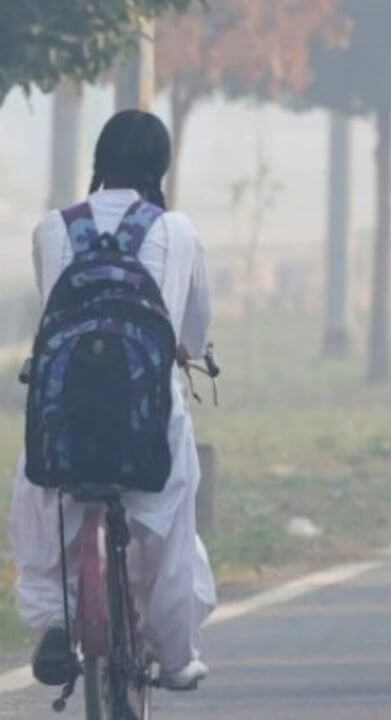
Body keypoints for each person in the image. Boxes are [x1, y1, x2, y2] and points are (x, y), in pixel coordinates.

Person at [12, 110, 216, 690]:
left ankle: (53, 619)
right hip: (147, 420)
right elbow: (196, 333)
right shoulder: (178, 231)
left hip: (64, 420)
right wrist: (188, 351)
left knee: (39, 502)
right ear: (161, 164)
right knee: (171, 523)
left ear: (99, 160)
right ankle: (174, 654)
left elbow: (51, 307)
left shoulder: (53, 227)